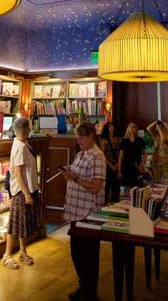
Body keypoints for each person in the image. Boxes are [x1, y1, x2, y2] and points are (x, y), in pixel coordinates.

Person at [63, 123, 106, 301]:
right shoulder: (81, 154)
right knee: (77, 254)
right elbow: (76, 176)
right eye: (77, 137)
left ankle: (90, 294)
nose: (78, 140)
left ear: (91, 136)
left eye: (81, 137)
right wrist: (68, 175)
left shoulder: (97, 156)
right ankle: (84, 287)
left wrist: (76, 179)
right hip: (75, 211)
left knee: (88, 256)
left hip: (88, 214)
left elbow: (96, 187)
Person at [2, 117, 40, 269]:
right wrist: (27, 194)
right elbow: (18, 173)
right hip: (20, 190)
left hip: (24, 188)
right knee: (15, 223)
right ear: (26, 129)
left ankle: (23, 251)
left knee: (21, 222)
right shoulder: (20, 146)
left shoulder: (23, 143)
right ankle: (7, 255)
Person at [118, 123, 148, 187]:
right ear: (128, 129)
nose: (132, 128)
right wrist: (119, 171)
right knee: (126, 186)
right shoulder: (124, 141)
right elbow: (120, 157)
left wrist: (142, 164)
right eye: (130, 127)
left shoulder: (140, 140)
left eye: (133, 127)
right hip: (126, 166)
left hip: (137, 166)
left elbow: (145, 154)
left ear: (136, 129)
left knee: (138, 186)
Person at [99, 121, 121, 203]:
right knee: (107, 186)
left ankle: (115, 202)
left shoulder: (118, 139)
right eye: (109, 126)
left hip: (117, 164)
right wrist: (111, 165)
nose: (112, 127)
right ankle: (105, 203)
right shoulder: (104, 140)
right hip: (107, 165)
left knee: (116, 186)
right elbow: (102, 154)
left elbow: (121, 153)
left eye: (112, 126)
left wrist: (118, 164)